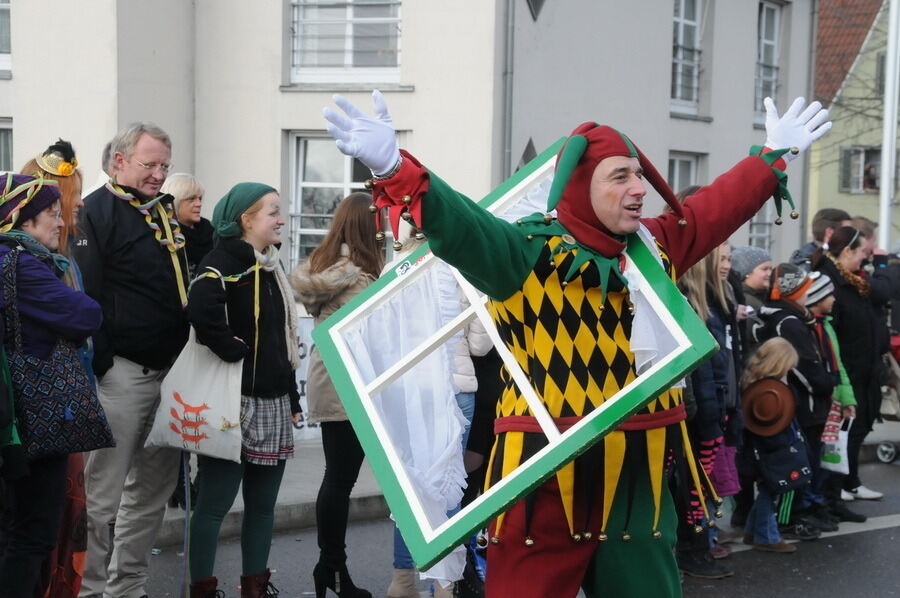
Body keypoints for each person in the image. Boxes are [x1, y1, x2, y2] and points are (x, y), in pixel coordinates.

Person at [322, 91, 830, 597]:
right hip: (543, 475)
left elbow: (714, 208)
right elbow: (460, 227)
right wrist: (394, 166)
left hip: (640, 476)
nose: (639, 189)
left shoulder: (654, 247)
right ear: (583, 186)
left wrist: (772, 156)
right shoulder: (524, 250)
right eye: (620, 176)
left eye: (639, 175)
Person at [74, 123, 190, 598]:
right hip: (122, 374)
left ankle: (130, 588)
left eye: (165, 165)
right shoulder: (94, 213)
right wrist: (103, 366)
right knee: (102, 498)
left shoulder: (163, 213)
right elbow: (87, 295)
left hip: (170, 374)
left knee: (151, 496)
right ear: (119, 161)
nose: (160, 174)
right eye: (150, 165)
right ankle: (91, 590)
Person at [186, 182, 301, 598]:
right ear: (246, 219)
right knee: (214, 505)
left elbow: (281, 339)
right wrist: (231, 348)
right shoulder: (221, 263)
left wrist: (291, 396)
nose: (281, 219)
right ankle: (202, 588)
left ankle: (254, 586)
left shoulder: (270, 267)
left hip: (272, 402)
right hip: (231, 403)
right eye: (272, 211)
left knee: (263, 507)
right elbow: (199, 309)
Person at [0, 173, 103, 598]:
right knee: (32, 534)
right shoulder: (22, 264)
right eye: (51, 214)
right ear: (23, 221)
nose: (60, 223)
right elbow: (86, 314)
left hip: (13, 413)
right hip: (32, 415)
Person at [381, 223, 492, 598]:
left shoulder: (392, 270)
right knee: (449, 491)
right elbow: (479, 345)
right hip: (454, 388)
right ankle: (445, 586)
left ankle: (403, 581)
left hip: (405, 392)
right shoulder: (462, 268)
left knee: (409, 489)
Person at [291, 192, 383, 598]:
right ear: (363, 224)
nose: (383, 225)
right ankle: (332, 567)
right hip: (341, 383)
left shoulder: (356, 268)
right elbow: (306, 285)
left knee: (341, 478)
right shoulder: (344, 270)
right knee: (339, 479)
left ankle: (331, 568)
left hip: (353, 382)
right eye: (377, 218)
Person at [19, 140, 92, 598]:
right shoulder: (32, 264)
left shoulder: (62, 260)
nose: (78, 204)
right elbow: (86, 317)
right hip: (45, 414)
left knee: (57, 528)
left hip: (65, 409)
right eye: (71, 194)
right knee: (36, 533)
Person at [757, 264, 836, 538]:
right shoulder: (788, 322)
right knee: (798, 465)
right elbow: (801, 366)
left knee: (801, 462)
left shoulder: (789, 317)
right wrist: (827, 384)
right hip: (801, 404)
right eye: (804, 289)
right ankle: (789, 519)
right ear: (795, 292)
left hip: (796, 403)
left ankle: (794, 514)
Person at [812, 227, 888, 502]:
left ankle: (850, 481)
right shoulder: (830, 281)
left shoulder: (852, 281)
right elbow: (833, 333)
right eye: (861, 254)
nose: (863, 260)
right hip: (848, 369)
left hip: (864, 367)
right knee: (847, 430)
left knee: (861, 425)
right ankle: (839, 485)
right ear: (846, 252)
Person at [803, 273, 866, 524]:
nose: (833, 299)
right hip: (822, 400)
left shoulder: (826, 325)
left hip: (835, 399)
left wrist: (847, 399)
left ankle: (833, 501)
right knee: (820, 457)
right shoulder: (811, 327)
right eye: (828, 295)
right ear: (817, 298)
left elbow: (837, 365)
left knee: (833, 454)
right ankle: (819, 504)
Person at [740, 337, 801, 553]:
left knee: (767, 492)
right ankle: (767, 537)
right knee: (770, 493)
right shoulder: (769, 393)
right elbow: (773, 430)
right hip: (770, 452)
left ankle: (752, 531)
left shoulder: (755, 383)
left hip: (759, 451)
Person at [163, 173, 214, 276]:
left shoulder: (210, 231)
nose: (199, 204)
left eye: (200, 198)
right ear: (175, 201)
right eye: (191, 199)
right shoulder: (164, 236)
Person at [731, 245, 772, 354]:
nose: (769, 273)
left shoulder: (760, 297)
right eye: (764, 269)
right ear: (747, 273)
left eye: (770, 269)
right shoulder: (746, 302)